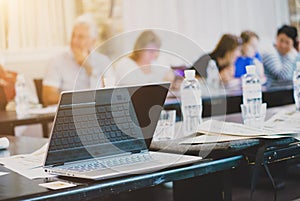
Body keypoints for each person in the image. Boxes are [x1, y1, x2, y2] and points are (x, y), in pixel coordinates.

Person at [42, 14, 113, 106]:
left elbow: (110, 94)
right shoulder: (56, 61)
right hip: (70, 113)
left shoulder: (103, 61)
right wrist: (81, 99)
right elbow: (48, 98)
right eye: (73, 35)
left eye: (80, 37)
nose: (74, 40)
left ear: (93, 41)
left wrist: (88, 67)